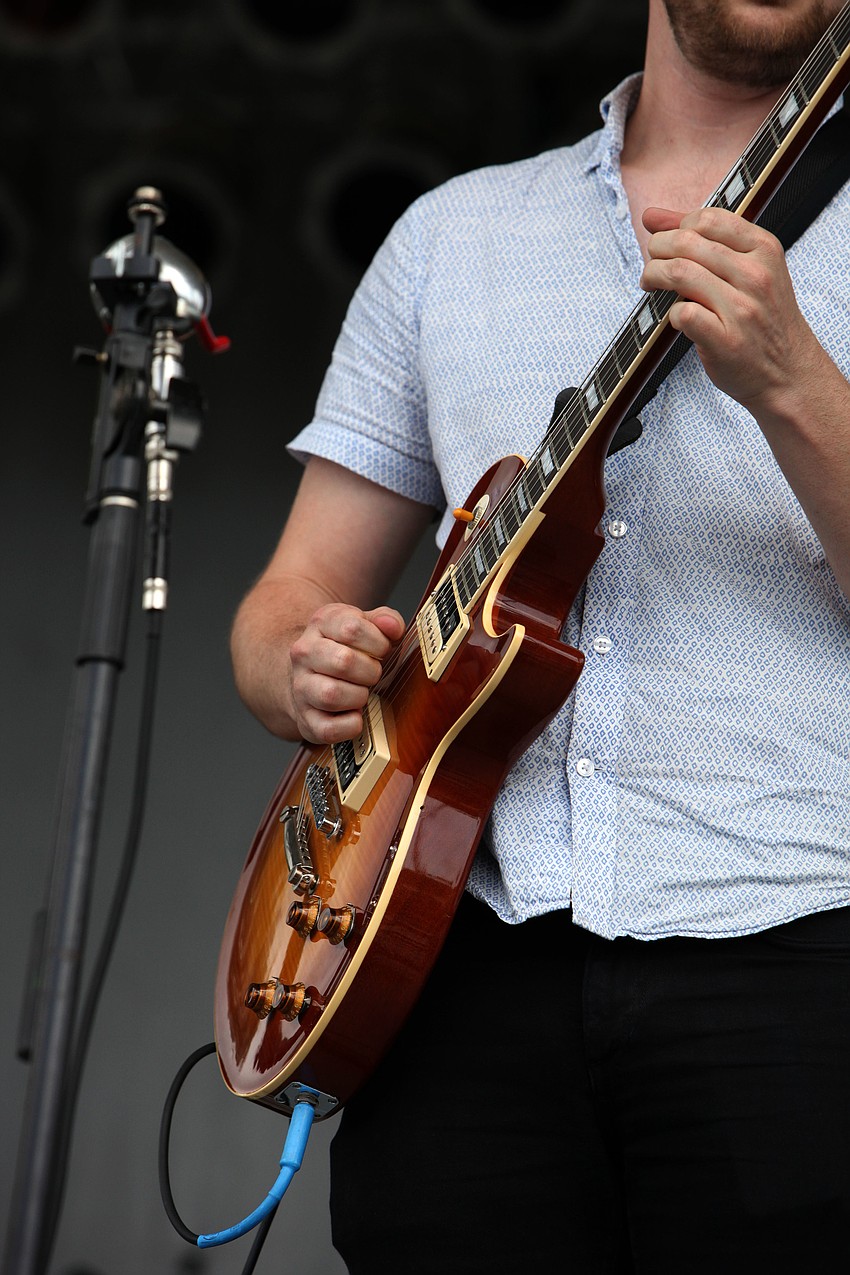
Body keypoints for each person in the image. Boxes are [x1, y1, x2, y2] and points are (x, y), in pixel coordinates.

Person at [230, 1, 850, 1271]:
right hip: (456, 949)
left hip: (802, 951)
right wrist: (303, 662)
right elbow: (285, 600)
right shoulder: (451, 234)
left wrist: (794, 380)